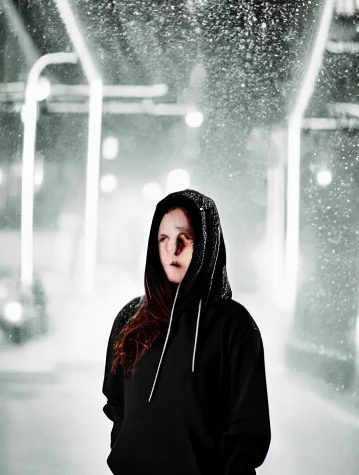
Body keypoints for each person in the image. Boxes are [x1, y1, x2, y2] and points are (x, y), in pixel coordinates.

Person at [102, 188, 271, 475]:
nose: (173, 249)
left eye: (186, 238)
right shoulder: (131, 318)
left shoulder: (234, 325)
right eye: (163, 238)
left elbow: (246, 432)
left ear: (207, 244)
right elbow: (117, 402)